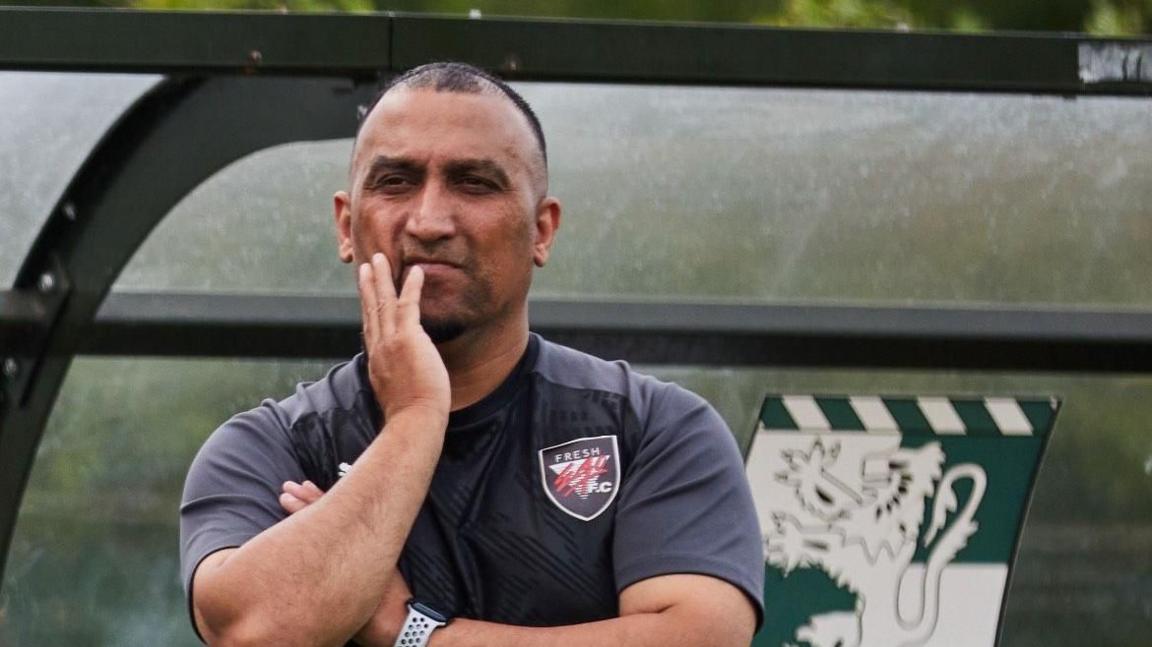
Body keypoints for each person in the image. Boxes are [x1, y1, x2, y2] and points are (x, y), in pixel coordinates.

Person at [180, 62, 764, 647]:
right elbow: (255, 631)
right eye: (395, 182)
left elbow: (701, 638)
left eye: (475, 183)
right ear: (346, 224)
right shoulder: (272, 448)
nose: (430, 221)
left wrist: (412, 633)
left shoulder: (653, 431)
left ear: (542, 231)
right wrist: (414, 416)